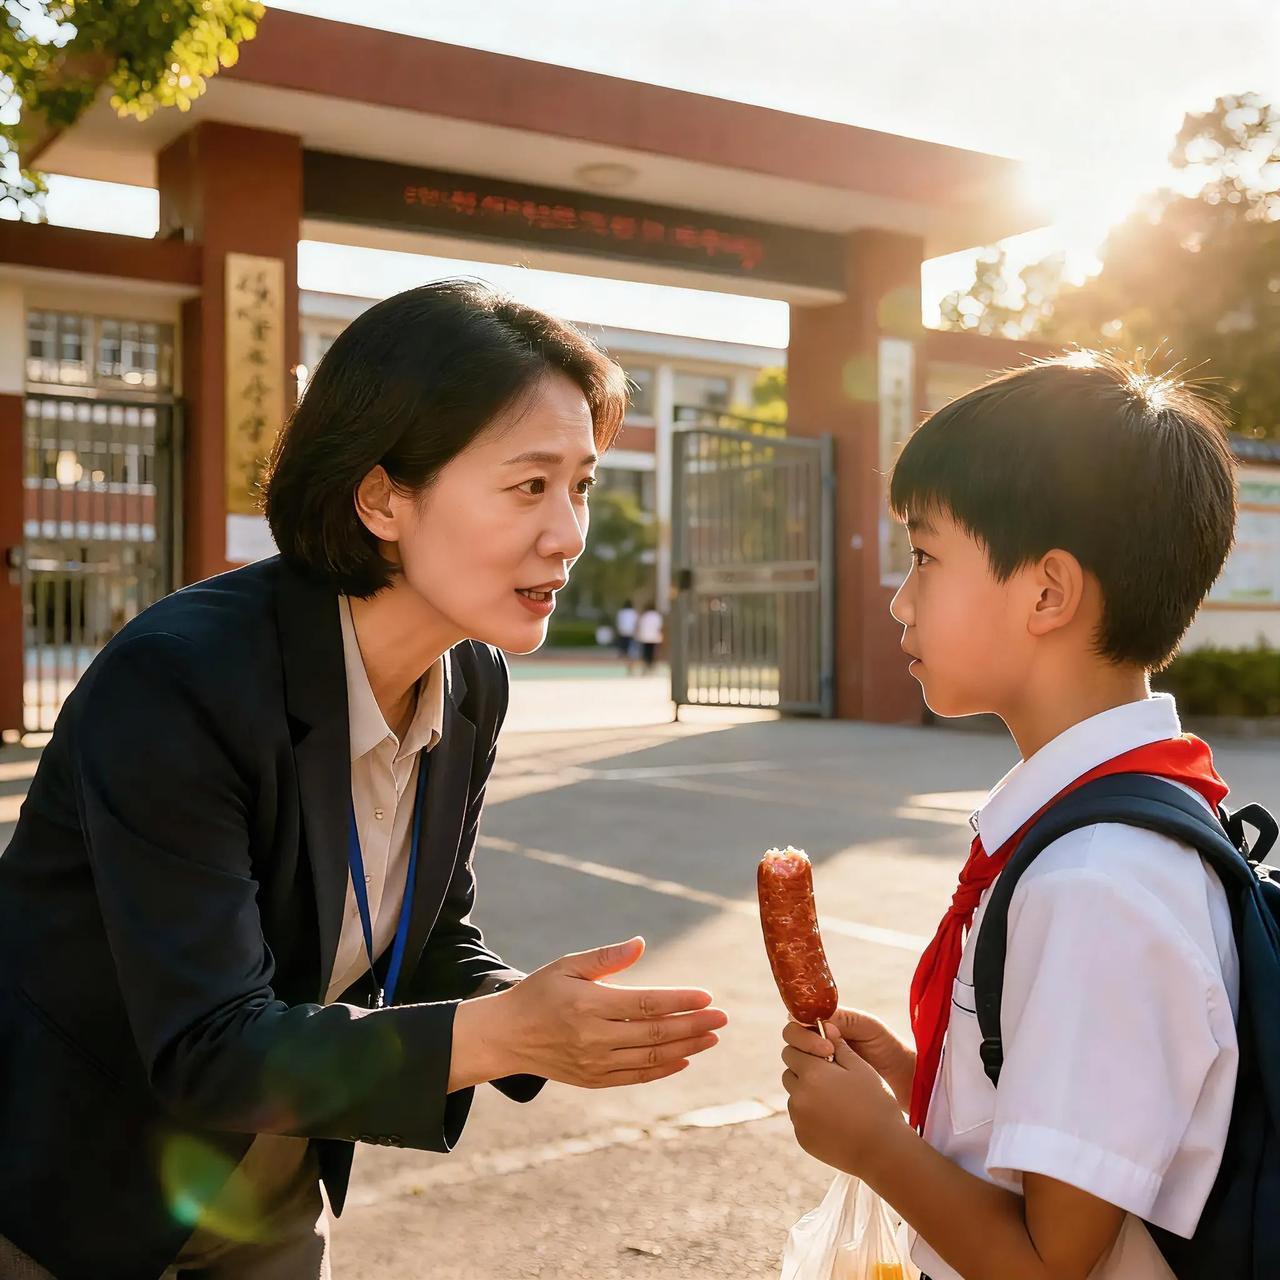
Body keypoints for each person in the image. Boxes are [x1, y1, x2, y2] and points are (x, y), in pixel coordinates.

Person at [0, 281, 727, 1280]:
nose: (568, 533)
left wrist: (540, 1014)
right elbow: (208, 1043)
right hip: (68, 1191)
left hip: (274, 1182)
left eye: (581, 486)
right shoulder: (180, 680)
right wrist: (493, 1033)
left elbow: (427, 935)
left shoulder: (471, 677)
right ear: (382, 496)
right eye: (528, 485)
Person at [779, 353, 1239, 1280]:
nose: (899, 597)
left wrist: (877, 1147)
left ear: (1047, 592)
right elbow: (1068, 1151)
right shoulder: (1090, 837)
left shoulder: (1095, 885)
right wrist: (921, 1083)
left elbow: (1047, 1265)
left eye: (923, 555)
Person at [637, 602, 664, 673]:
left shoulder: (644, 616)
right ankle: (652, 664)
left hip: (645, 637)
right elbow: (659, 627)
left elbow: (640, 626)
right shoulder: (657, 616)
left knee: (646, 651)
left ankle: (647, 664)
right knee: (653, 651)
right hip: (654, 637)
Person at [615, 598, 638, 671]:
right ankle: (630, 660)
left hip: (623, 631)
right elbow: (636, 622)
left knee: (624, 646)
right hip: (631, 631)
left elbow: (618, 622)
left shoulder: (621, 612)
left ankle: (625, 658)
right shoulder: (634, 612)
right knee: (630, 647)